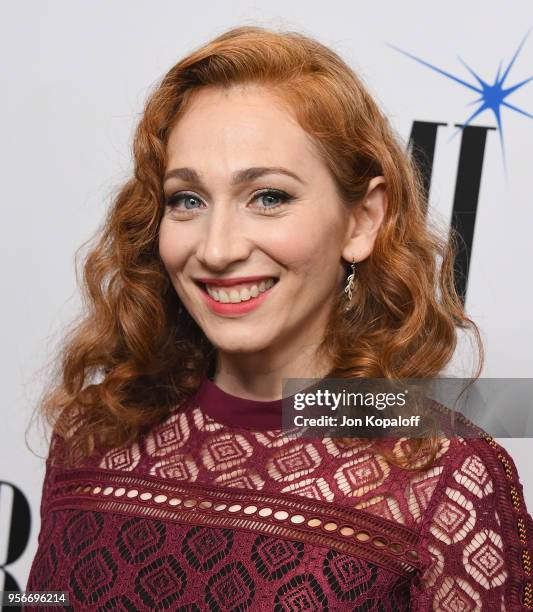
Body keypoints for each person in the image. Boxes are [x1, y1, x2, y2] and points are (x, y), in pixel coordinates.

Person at [25, 25, 533, 610]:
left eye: (268, 197)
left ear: (363, 220)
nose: (217, 249)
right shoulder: (91, 436)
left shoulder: (442, 476)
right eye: (187, 200)